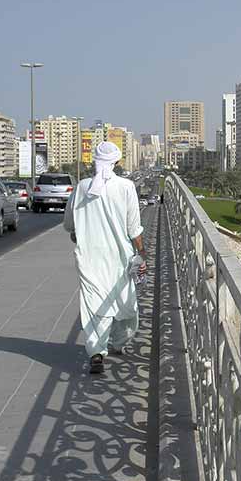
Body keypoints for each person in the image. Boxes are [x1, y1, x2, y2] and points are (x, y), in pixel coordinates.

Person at [64, 141, 146, 374]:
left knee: (93, 304)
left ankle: (97, 351)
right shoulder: (126, 186)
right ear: (117, 162)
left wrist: (77, 233)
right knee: (124, 302)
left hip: (89, 257)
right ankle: (117, 343)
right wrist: (142, 254)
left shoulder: (82, 187)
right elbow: (134, 228)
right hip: (119, 258)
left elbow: (70, 223)